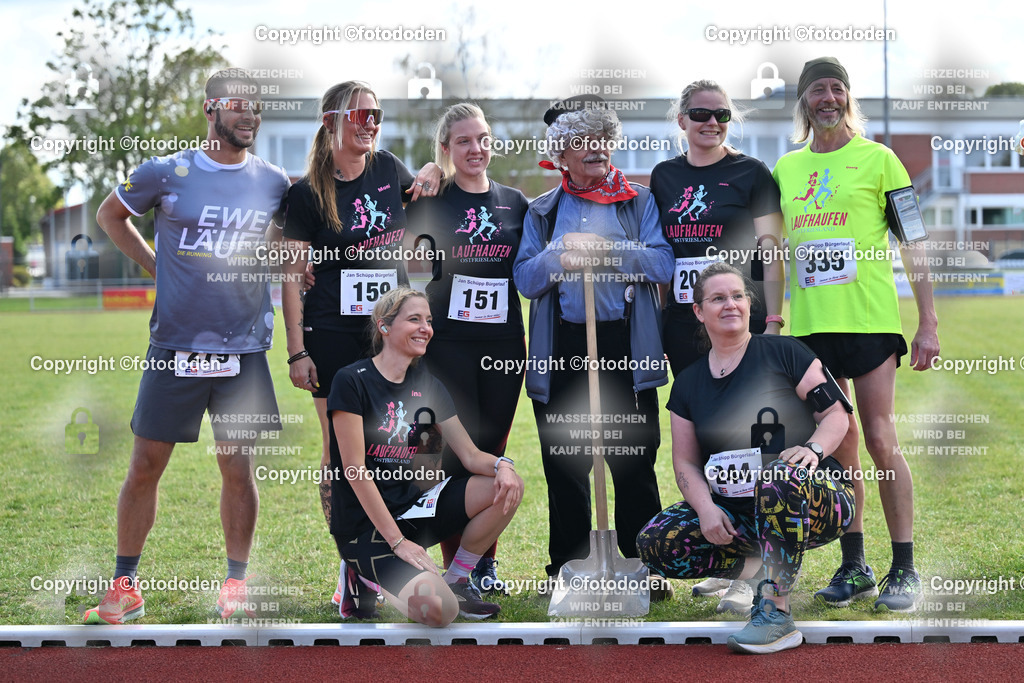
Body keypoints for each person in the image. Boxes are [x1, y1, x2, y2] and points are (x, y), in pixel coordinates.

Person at [85, 69, 291, 623]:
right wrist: (156, 265)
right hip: (175, 346)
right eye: (239, 105)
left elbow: (294, 238)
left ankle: (236, 585)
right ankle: (125, 584)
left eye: (257, 107)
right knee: (146, 464)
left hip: (244, 350)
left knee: (237, 467)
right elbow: (110, 216)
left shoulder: (274, 183)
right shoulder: (165, 171)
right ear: (210, 109)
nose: (250, 115)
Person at [772, 57, 940, 612]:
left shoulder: (880, 159)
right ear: (803, 102)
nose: (828, 98)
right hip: (814, 329)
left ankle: (905, 567)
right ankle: (854, 564)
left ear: (848, 98)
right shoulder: (787, 170)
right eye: (817, 89)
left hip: (869, 322)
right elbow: (772, 252)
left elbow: (914, 240)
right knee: (839, 450)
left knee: (879, 439)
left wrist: (928, 322)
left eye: (837, 88)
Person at [636, 262, 856, 654]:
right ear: (699, 311)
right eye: (718, 298)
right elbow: (685, 462)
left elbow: (837, 415)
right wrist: (705, 509)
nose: (730, 305)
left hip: (813, 497)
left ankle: (776, 612)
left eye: (738, 296)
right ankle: (758, 565)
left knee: (778, 476)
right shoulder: (687, 383)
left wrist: (813, 449)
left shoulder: (786, 352)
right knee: (657, 542)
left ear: (750, 304)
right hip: (739, 513)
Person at [280, 80, 441, 613]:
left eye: (377, 113)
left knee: (397, 446)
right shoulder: (306, 193)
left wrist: (435, 168)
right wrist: (296, 350)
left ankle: (393, 553)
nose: (372, 122)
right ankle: (353, 569)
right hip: (330, 335)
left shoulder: (388, 169)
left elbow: (427, 185)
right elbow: (290, 276)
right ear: (332, 122)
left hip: (386, 336)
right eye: (362, 114)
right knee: (338, 456)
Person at [513, 96, 674, 596]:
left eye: (604, 140)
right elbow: (524, 277)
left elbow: (663, 263)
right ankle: (568, 563)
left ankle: (645, 563)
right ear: (561, 154)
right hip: (564, 344)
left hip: (623, 344)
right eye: (584, 142)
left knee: (632, 457)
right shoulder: (542, 212)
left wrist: (608, 250)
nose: (597, 151)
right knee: (565, 459)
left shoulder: (638, 201)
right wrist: (561, 254)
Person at [651, 80, 787, 614]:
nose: (712, 122)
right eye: (701, 113)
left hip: (739, 325)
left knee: (746, 440)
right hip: (684, 329)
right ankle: (728, 559)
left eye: (722, 114)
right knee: (703, 442)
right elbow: (661, 257)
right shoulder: (664, 176)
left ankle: (756, 566)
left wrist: (773, 320)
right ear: (681, 119)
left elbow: (772, 250)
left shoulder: (753, 173)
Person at [328, 286, 524, 624]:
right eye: (414, 319)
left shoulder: (428, 385)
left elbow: (469, 455)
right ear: (384, 326)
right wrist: (399, 542)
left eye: (429, 321)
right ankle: (359, 575)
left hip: (412, 513)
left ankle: (457, 581)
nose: (426, 328)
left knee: (505, 485)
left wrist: (502, 466)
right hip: (367, 530)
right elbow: (354, 470)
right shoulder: (351, 381)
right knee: (439, 612)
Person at [405, 103, 529, 594]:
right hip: (446, 349)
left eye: (481, 138)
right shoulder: (429, 200)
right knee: (451, 457)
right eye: (462, 141)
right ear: (445, 149)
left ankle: (482, 564)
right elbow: (409, 275)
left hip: (502, 350)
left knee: (493, 453)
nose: (475, 149)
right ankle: (453, 565)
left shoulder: (516, 202)